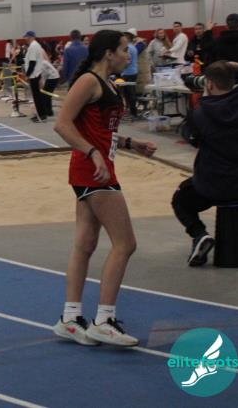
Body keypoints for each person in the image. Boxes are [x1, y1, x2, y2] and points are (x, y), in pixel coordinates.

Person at [52, 29, 157, 348]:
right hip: (94, 173)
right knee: (125, 244)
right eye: (124, 50)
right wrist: (92, 153)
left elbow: (102, 131)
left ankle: (70, 318)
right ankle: (104, 320)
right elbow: (62, 124)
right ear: (108, 53)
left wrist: (131, 143)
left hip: (93, 170)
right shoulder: (88, 81)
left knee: (85, 244)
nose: (128, 55)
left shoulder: (107, 83)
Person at [172, 60, 238, 266]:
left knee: (181, 199)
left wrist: (202, 102)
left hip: (212, 185)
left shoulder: (200, 113)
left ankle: (199, 234)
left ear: (208, 84)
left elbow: (191, 138)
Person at [23, 32, 47, 122]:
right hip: (36, 74)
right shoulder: (35, 45)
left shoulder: (33, 46)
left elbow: (32, 62)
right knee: (37, 96)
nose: (25, 39)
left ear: (31, 37)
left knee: (37, 96)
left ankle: (41, 116)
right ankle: (40, 114)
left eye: (26, 37)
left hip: (34, 75)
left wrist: (27, 75)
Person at [120, 29, 139, 119]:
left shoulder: (128, 48)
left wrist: (120, 67)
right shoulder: (133, 47)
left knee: (129, 94)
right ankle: (132, 111)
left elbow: (127, 61)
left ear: (128, 38)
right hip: (132, 72)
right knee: (130, 93)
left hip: (128, 73)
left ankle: (133, 112)